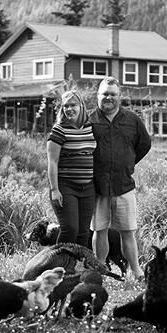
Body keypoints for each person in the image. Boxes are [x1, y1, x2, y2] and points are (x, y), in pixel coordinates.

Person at [89, 77, 151, 280]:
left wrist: (128, 163)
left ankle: (137, 271)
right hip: (97, 187)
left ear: (119, 97)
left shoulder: (132, 120)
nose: (108, 97)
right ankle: (100, 271)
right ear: (98, 96)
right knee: (100, 230)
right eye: (104, 94)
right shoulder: (89, 120)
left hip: (124, 186)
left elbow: (144, 144)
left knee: (128, 231)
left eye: (112, 94)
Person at [47, 90, 97, 246]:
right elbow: (52, 162)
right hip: (65, 187)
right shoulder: (59, 130)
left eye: (72, 105)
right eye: (65, 106)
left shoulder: (91, 128)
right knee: (70, 229)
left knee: (83, 233)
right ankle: (57, 265)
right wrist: (55, 190)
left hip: (88, 187)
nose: (69, 109)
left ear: (81, 105)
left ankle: (77, 269)